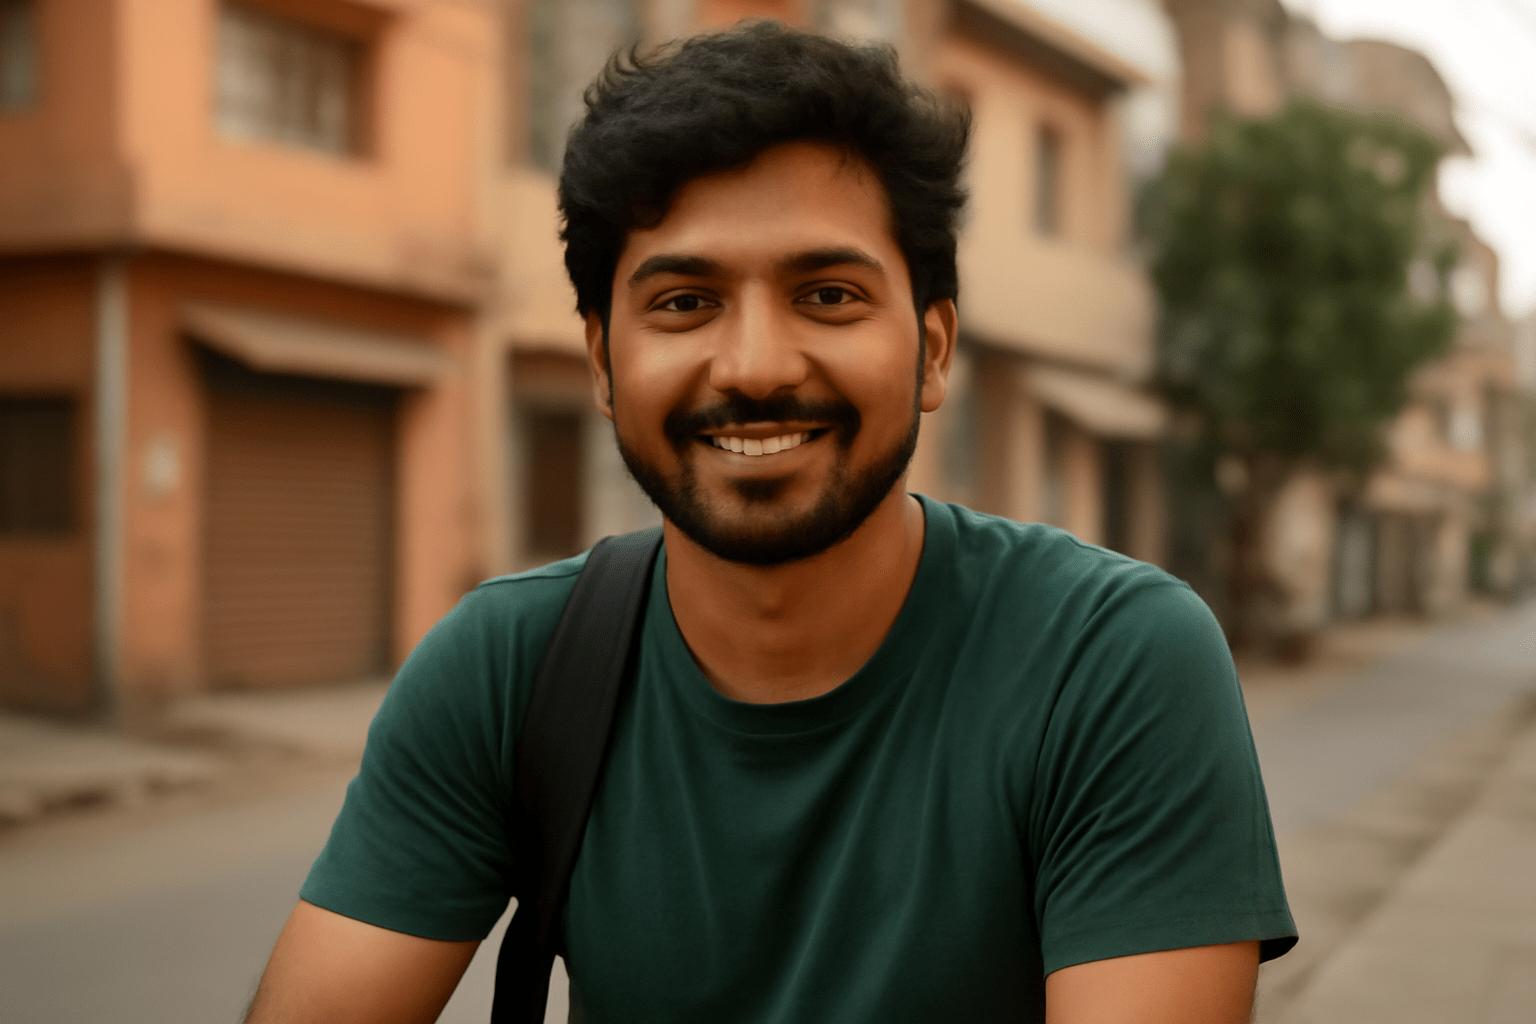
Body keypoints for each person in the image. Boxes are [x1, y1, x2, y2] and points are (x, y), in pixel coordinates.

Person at [246, 22, 1296, 1024]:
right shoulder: (508, 667)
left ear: (932, 352)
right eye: (683, 302)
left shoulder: (1110, 663)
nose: (754, 366)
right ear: (603, 363)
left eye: (829, 294)